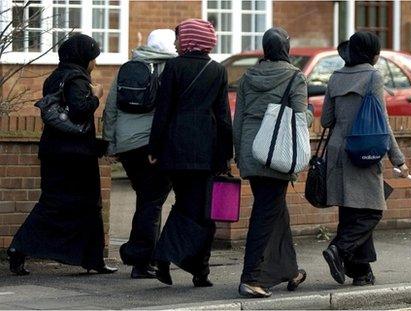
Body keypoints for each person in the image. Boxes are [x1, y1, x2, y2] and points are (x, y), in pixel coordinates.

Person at [7, 34, 117, 275]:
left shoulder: (54, 77)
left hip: (54, 152)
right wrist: (96, 96)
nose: (95, 64)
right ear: (83, 57)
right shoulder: (77, 79)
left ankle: (21, 249)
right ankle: (91, 258)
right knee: (87, 206)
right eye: (93, 58)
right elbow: (80, 110)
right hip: (75, 158)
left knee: (53, 204)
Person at [148, 19, 233, 287]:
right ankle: (196, 268)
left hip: (175, 146)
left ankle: (175, 259)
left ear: (188, 40)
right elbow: (222, 116)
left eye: (178, 37)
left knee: (186, 203)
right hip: (206, 148)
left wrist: (154, 147)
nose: (175, 43)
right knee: (203, 209)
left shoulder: (173, 68)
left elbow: (162, 111)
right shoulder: (217, 71)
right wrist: (225, 153)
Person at [321, 31, 409, 286]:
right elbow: (383, 122)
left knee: (351, 213)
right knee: (372, 211)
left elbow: (326, 120)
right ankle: (338, 248)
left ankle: (361, 272)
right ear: (372, 53)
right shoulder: (373, 75)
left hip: (338, 152)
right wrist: (398, 159)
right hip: (364, 150)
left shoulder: (336, 77)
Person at [233, 27, 312, 298]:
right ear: (286, 48)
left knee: (276, 212)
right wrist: (311, 116)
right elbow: (300, 120)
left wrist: (239, 154)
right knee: (265, 214)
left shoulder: (247, 77)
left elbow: (239, 120)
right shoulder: (295, 77)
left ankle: (289, 271)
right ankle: (251, 277)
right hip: (278, 153)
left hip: (252, 152)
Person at [103, 29, 177, 279]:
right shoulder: (170, 69)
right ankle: (138, 257)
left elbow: (111, 107)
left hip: (127, 145)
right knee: (152, 202)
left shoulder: (129, 66)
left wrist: (111, 143)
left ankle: (142, 259)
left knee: (146, 199)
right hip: (151, 145)